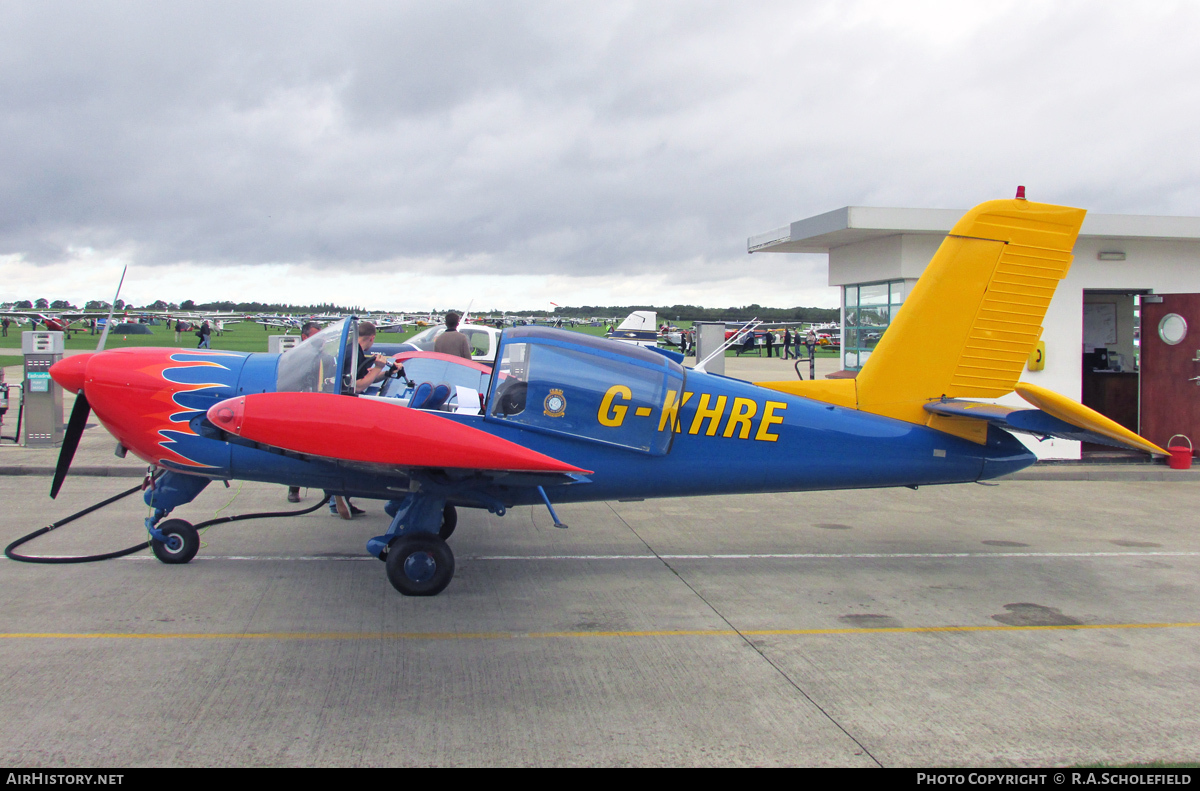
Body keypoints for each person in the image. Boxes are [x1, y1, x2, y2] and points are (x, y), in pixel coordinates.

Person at [288, 321, 326, 504]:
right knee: (298, 449)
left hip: (319, 405)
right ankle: (294, 488)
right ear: (305, 337)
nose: (320, 340)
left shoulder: (322, 356)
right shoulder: (296, 357)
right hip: (302, 406)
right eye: (315, 336)